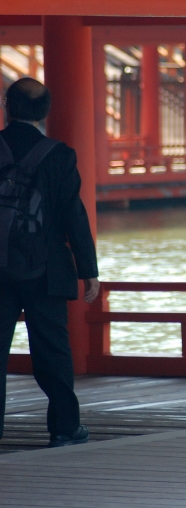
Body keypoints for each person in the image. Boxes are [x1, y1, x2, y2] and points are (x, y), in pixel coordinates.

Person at [0, 78, 99, 448]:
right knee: (52, 351)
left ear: (7, 105)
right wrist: (88, 270)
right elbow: (73, 214)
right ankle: (64, 428)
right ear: (46, 111)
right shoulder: (59, 155)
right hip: (47, 270)